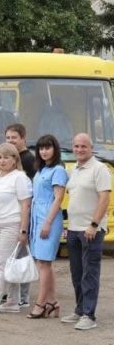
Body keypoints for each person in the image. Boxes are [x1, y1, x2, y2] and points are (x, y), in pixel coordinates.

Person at [61, 133, 111, 330]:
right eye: (76, 146)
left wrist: (94, 224)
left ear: (91, 148)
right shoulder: (74, 169)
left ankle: (89, 316)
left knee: (89, 274)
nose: (79, 149)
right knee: (76, 273)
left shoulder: (100, 169)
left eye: (83, 146)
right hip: (73, 229)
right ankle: (80, 310)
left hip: (91, 230)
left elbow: (104, 199)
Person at [0, 143, 32, 316]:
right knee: (9, 264)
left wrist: (23, 231)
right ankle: (12, 301)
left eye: (6, 157)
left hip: (12, 224)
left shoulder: (19, 177)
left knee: (1, 264)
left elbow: (25, 205)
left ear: (15, 159)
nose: (2, 161)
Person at [26, 134, 68, 319]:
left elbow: (58, 198)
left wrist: (48, 223)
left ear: (55, 149)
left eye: (47, 147)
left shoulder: (58, 170)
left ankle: (41, 303)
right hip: (37, 217)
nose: (44, 151)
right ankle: (52, 302)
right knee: (43, 263)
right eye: (41, 148)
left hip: (48, 218)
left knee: (44, 263)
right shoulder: (41, 169)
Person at [5, 122, 35, 307]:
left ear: (23, 138)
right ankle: (12, 293)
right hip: (9, 214)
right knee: (11, 256)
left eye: (14, 138)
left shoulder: (29, 159)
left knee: (22, 256)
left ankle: (23, 296)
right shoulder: (8, 157)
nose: (10, 141)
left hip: (22, 213)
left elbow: (29, 191)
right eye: (7, 138)